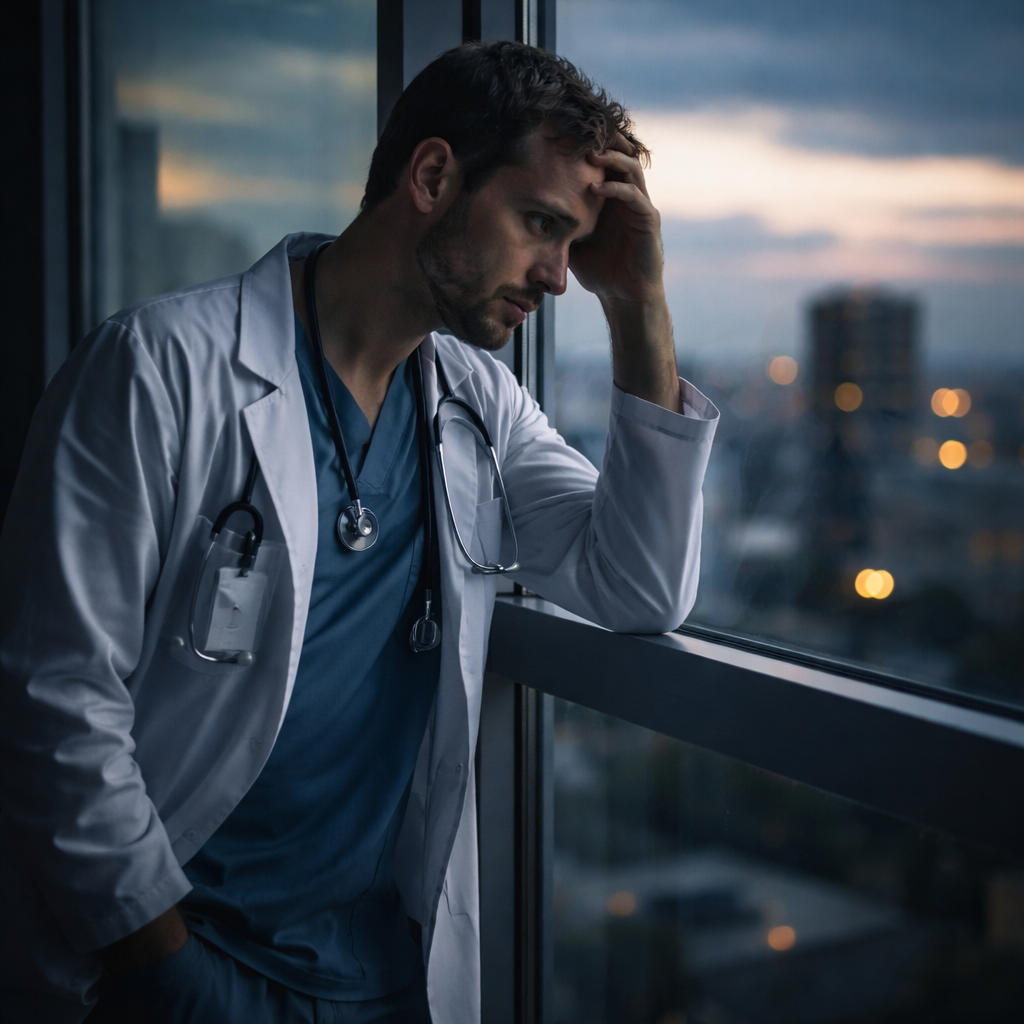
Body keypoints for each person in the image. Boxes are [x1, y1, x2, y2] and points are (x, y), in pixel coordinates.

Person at [0, 41, 718, 1024]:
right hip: (178, 971)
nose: (557, 276)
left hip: (385, 981)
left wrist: (637, 302)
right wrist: (167, 977)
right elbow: (57, 702)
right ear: (431, 177)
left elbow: (637, 585)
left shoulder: (477, 404)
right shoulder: (158, 370)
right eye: (539, 225)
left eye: (572, 242)